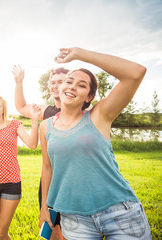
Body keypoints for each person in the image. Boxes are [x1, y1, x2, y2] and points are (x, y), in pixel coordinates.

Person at [39, 47, 152, 239]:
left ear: (89, 97)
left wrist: (79, 54)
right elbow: (48, 168)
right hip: (75, 220)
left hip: (119, 213)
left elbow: (135, 73)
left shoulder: (99, 115)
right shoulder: (45, 126)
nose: (72, 86)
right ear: (59, 87)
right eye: (69, 81)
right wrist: (44, 207)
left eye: (82, 85)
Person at [13, 64, 67, 239]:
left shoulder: (84, 112)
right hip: (50, 182)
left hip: (75, 181)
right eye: (52, 82)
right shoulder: (48, 111)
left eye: (61, 81)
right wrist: (19, 82)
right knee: (52, 229)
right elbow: (21, 107)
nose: (55, 85)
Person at [0, 95, 40, 240]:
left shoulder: (14, 124)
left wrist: (34, 120)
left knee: (1, 233)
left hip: (11, 184)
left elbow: (32, 145)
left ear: (3, 109)